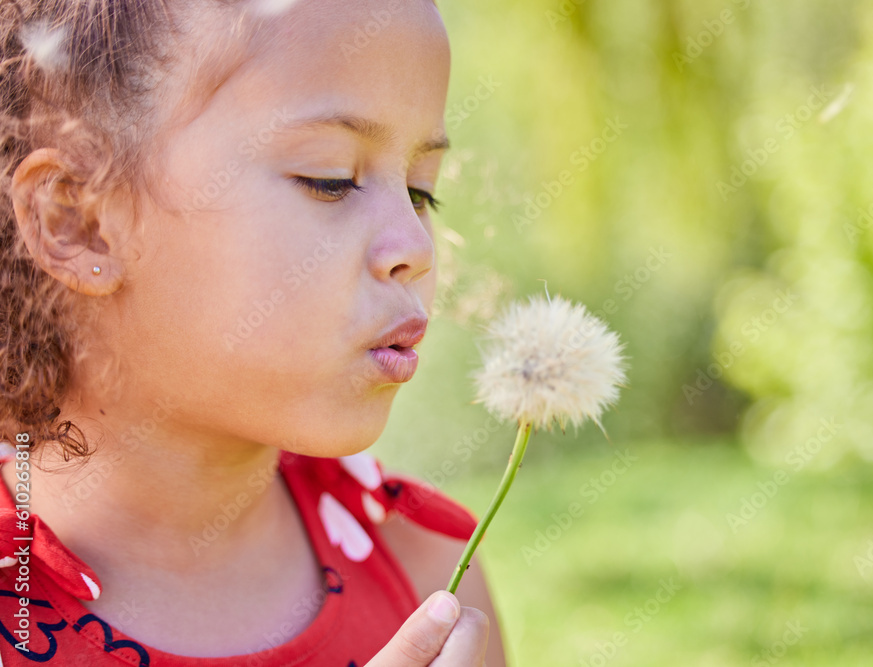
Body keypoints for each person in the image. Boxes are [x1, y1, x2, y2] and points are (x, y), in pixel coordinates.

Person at [0, 0, 503, 664]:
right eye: (329, 178)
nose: (415, 245)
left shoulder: (432, 577)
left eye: (420, 190)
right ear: (77, 220)